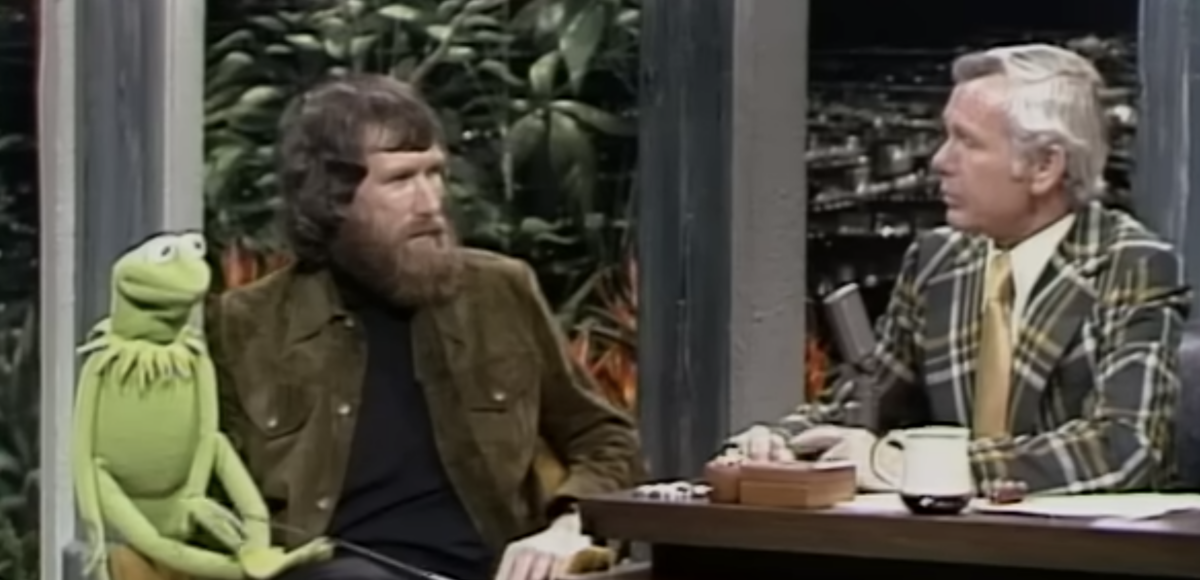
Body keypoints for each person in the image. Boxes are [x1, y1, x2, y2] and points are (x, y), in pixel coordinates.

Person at [205, 74, 640, 580]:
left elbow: (605, 436)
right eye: (400, 180)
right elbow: (206, 502)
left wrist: (570, 524)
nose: (431, 202)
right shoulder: (245, 327)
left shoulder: (500, 292)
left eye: (435, 173)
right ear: (331, 199)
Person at [724, 44, 1191, 495]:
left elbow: (1126, 449)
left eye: (967, 141)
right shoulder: (937, 261)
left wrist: (913, 465)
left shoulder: (1132, 265)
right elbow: (861, 409)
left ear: (1044, 166)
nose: (939, 161)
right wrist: (779, 443)